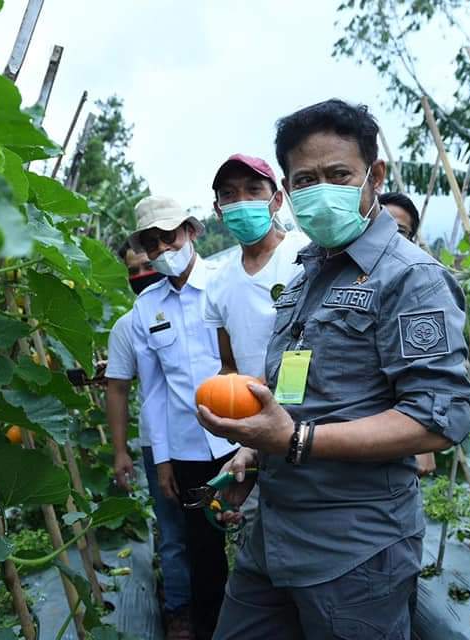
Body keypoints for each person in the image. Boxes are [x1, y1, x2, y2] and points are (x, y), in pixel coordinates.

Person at [198, 99, 470, 639]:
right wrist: (255, 450)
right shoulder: (305, 278)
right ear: (289, 188)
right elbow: (301, 393)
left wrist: (297, 439)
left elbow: (439, 419)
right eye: (305, 179)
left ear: (374, 175)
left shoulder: (410, 279)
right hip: (274, 535)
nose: (321, 189)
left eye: (338, 174)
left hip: (354, 551)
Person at [128, 196, 238, 640]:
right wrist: (162, 460)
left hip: (241, 441)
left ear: (192, 231)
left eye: (168, 236)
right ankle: (213, 629)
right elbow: (152, 392)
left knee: (258, 542)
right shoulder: (146, 308)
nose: (161, 249)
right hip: (187, 448)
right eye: (151, 243)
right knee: (203, 550)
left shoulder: (226, 284)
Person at [203, 154, 309, 539]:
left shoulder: (305, 254)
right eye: (229, 195)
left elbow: (311, 344)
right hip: (258, 427)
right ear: (219, 210)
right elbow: (229, 365)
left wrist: (276, 403)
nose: (241, 201)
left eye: (253, 190)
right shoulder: (218, 282)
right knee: (262, 531)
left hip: (312, 415)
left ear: (277, 199)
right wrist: (228, 408)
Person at [106, 242, 193, 639]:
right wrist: (120, 449)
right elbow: (118, 389)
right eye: (133, 270)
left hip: (206, 437)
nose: (142, 274)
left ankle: (215, 604)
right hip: (157, 444)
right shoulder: (127, 325)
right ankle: (179, 611)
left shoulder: (197, 308)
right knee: (173, 533)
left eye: (148, 265)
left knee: (211, 526)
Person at [380, 192, 436, 477]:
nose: (390, 238)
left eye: (400, 232)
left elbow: (424, 375)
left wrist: (422, 447)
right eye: (381, 225)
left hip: (391, 435)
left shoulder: (417, 289)